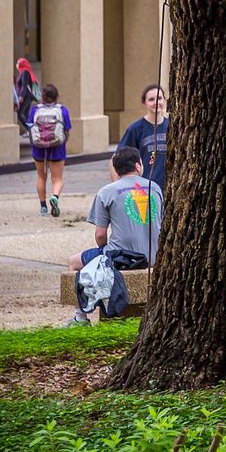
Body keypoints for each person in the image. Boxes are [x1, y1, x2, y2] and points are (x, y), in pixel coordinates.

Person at [67, 145, 163, 324]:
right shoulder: (155, 188)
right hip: (156, 255)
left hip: (121, 258)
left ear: (117, 170)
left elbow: (100, 235)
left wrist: (102, 249)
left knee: (73, 262)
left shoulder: (106, 192)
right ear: (138, 166)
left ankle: (80, 318)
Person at [118, 82, 171, 192]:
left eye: (159, 98)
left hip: (170, 189)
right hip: (144, 189)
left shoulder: (172, 126)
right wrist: (119, 189)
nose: (156, 102)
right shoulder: (135, 129)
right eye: (151, 99)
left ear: (164, 100)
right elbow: (116, 158)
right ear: (144, 103)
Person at [29, 82, 70, 217]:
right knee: (57, 178)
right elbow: (67, 129)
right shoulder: (63, 110)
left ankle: (43, 207)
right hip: (57, 148)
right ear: (57, 96)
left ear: (42, 96)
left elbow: (30, 128)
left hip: (38, 148)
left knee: (41, 176)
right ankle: (55, 197)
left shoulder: (35, 110)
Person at [12, 56, 38, 132]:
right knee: (26, 114)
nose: (16, 64)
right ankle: (30, 131)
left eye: (18, 63)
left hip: (25, 96)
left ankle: (31, 129)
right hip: (27, 96)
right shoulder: (25, 72)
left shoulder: (25, 72)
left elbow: (24, 85)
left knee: (20, 114)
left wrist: (21, 97)